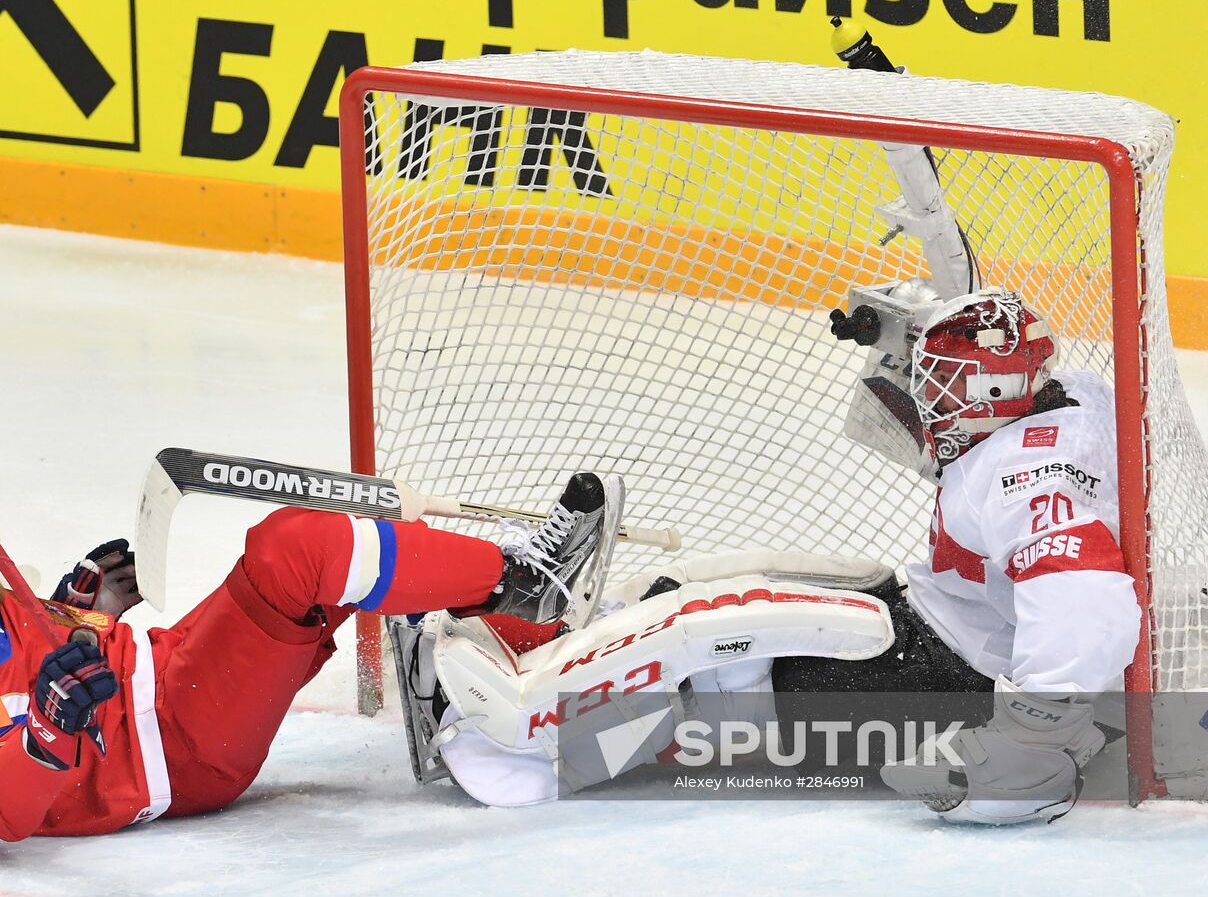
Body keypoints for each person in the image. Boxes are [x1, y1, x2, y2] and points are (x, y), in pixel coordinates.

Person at [402, 287, 1140, 825]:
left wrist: (1040, 732)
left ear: (999, 391)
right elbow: (987, 333)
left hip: (950, 682)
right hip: (934, 618)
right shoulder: (1066, 396)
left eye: (949, 390)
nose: (932, 406)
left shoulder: (1029, 481)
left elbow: (1090, 602)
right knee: (694, 584)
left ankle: (516, 748)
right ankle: (542, 639)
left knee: (715, 644)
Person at [0, 466, 609, 840]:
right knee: (297, 551)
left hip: (162, 685)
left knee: (330, 552)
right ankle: (528, 587)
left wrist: (87, 615)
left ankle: (532, 635)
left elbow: (32, 662)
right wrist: (48, 735)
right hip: (172, 745)